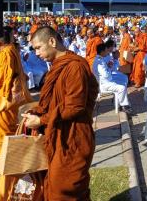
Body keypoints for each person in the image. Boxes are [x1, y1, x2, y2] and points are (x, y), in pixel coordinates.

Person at [23, 26, 99, 200]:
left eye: (38, 48)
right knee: (54, 185)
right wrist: (36, 111)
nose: (36, 53)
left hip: (73, 137)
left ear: (52, 41)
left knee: (65, 189)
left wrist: (41, 120)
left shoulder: (75, 67)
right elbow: (52, 101)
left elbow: (75, 106)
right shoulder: (57, 66)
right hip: (57, 134)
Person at [0, 27, 32, 156]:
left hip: (2, 100)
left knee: (1, 127)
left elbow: (1, 79)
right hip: (4, 98)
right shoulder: (11, 51)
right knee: (6, 124)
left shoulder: (6, 54)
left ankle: (2, 152)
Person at [92, 43, 132, 114]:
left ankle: (121, 101)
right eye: (106, 51)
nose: (107, 52)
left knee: (123, 80)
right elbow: (105, 74)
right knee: (121, 87)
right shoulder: (99, 62)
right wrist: (109, 68)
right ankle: (124, 105)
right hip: (104, 84)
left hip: (107, 80)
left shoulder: (100, 59)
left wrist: (110, 66)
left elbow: (110, 70)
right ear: (102, 51)